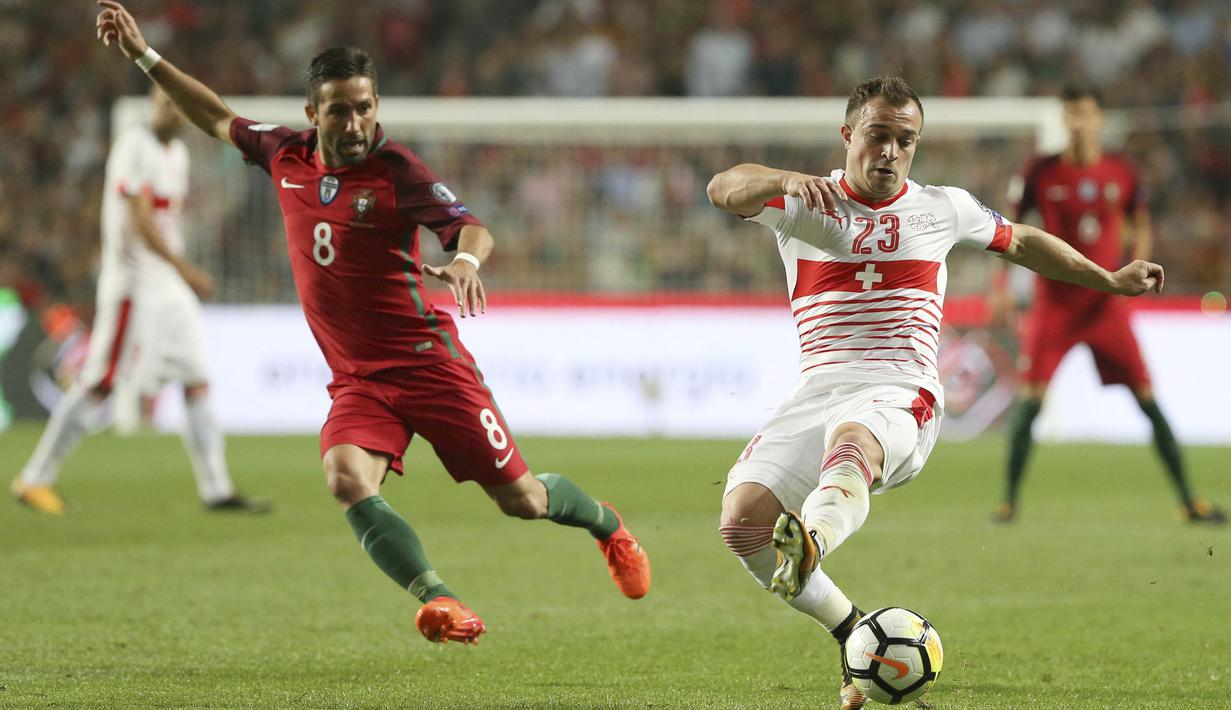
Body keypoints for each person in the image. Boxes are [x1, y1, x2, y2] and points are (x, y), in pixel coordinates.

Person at [93, 1, 650, 644]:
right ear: (314, 113)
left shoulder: (397, 172)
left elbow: (471, 226)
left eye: (364, 107)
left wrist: (466, 258)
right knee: (344, 479)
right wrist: (142, 55)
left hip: (430, 367)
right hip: (358, 380)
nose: (355, 121)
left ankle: (607, 525)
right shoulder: (285, 155)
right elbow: (214, 114)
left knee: (521, 500)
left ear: (376, 106)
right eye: (340, 109)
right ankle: (440, 602)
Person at [707, 76, 1164, 709]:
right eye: (877, 136)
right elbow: (722, 188)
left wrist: (1107, 279)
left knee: (853, 444)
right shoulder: (804, 203)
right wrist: (781, 180)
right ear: (848, 136)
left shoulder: (942, 207)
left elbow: (1023, 241)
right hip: (817, 389)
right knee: (742, 523)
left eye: (905, 140)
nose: (891, 152)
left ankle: (814, 535)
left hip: (901, 392)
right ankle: (851, 631)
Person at [11, 87, 268, 516]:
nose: (172, 112)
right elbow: (140, 218)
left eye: (178, 105)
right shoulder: (135, 145)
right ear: (153, 103)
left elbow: (168, 223)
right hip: (134, 282)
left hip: (169, 285)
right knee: (103, 379)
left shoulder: (179, 156)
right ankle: (35, 478)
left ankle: (217, 489)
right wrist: (186, 268)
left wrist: (179, 272)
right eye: (165, 102)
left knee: (196, 376)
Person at [990, 85, 1225, 525]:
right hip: (1054, 303)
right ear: (1063, 120)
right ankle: (1007, 502)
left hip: (1106, 304)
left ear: (1099, 119)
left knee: (1147, 397)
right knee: (1031, 399)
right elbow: (1007, 228)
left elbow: (1140, 222)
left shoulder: (1122, 170)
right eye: (1071, 114)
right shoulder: (1040, 171)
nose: (1078, 122)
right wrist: (1001, 283)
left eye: (1086, 114)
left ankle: (1189, 500)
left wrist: (1140, 257)